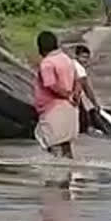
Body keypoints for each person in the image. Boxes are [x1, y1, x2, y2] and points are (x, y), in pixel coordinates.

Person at [33, 31, 80, 159]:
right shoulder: (67, 59)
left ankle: (55, 177)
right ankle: (70, 175)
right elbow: (77, 80)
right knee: (66, 146)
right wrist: (74, 96)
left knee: (51, 145)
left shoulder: (47, 63)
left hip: (53, 110)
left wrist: (66, 95)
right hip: (70, 109)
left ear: (40, 47)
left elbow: (51, 85)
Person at [72, 45, 101, 134]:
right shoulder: (79, 69)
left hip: (69, 95)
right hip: (74, 96)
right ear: (77, 56)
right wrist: (95, 103)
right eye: (83, 57)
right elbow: (87, 88)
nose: (85, 60)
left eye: (87, 58)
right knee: (84, 119)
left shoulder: (70, 63)